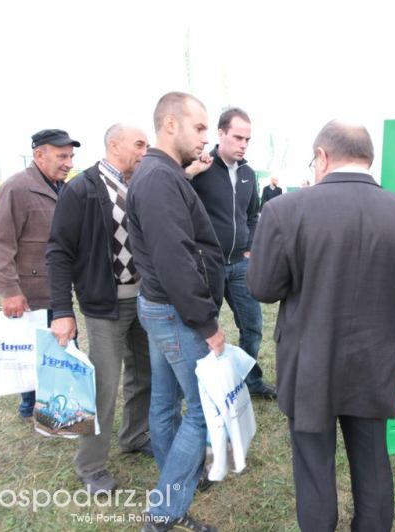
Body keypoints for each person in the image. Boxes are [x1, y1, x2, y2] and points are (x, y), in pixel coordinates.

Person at [247, 120, 395, 532]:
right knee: (372, 462)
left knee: (313, 470)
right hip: (374, 364)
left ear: (322, 157)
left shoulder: (285, 210)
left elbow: (262, 287)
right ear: (369, 159)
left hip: (310, 364)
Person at [127, 91, 223, 532]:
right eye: (200, 127)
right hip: (176, 312)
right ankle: (165, 511)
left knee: (165, 402)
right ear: (170, 124)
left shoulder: (162, 173)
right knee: (203, 409)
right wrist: (206, 322)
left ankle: (174, 482)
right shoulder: (160, 179)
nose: (207, 137)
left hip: (161, 307)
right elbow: (176, 258)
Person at [47, 124, 153, 494]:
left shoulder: (138, 184)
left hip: (145, 301)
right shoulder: (82, 189)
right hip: (105, 306)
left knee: (145, 374)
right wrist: (62, 310)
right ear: (114, 145)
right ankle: (90, 465)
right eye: (139, 144)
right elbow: (58, 251)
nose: (145, 150)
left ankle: (135, 436)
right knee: (103, 386)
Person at [0, 129, 80, 420]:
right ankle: (34, 407)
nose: (68, 163)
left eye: (71, 157)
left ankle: (50, 406)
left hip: (57, 287)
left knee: (55, 352)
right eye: (62, 156)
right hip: (30, 292)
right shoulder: (17, 188)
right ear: (39, 155)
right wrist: (9, 290)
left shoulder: (61, 187)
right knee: (35, 351)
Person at [190, 107, 276, 399]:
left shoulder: (249, 174)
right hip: (207, 266)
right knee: (204, 332)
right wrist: (191, 171)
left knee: (252, 327)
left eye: (247, 139)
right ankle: (209, 387)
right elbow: (173, 195)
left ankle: (250, 383)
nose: (243, 144)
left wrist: (250, 248)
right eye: (238, 137)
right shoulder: (200, 168)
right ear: (221, 134)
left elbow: (253, 214)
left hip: (240, 266)